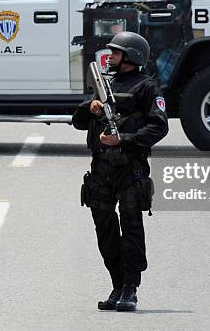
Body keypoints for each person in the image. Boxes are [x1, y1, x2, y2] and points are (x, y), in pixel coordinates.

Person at [72, 32, 168, 312]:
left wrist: (124, 139)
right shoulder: (105, 84)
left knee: (131, 228)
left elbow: (159, 126)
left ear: (131, 57)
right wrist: (89, 107)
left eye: (115, 53)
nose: (110, 57)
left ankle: (130, 288)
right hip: (100, 169)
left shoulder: (147, 87)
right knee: (104, 228)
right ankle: (116, 284)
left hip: (130, 168)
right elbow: (78, 121)